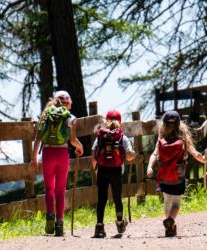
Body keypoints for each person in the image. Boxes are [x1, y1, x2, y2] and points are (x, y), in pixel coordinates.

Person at [146, 110, 207, 237]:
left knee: (167, 202)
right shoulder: (183, 138)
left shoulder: (161, 138)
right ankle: (170, 221)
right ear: (179, 124)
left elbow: (154, 154)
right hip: (178, 177)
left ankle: (170, 227)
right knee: (176, 204)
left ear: (163, 124)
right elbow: (195, 153)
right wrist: (203, 159)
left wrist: (149, 167)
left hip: (164, 177)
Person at [31, 90, 84, 237]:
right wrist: (80, 147)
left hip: (48, 154)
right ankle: (59, 224)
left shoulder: (46, 115)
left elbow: (38, 138)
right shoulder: (71, 118)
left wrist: (34, 158)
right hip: (62, 154)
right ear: (69, 103)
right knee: (60, 190)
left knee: (49, 188)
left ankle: (49, 218)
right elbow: (73, 141)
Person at [91, 110, 136, 238]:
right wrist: (131, 155)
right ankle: (120, 223)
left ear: (106, 121)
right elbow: (129, 156)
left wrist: (95, 170)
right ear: (120, 122)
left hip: (102, 170)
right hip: (116, 170)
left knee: (101, 199)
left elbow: (94, 156)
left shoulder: (100, 136)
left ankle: (99, 226)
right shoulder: (122, 137)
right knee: (117, 198)